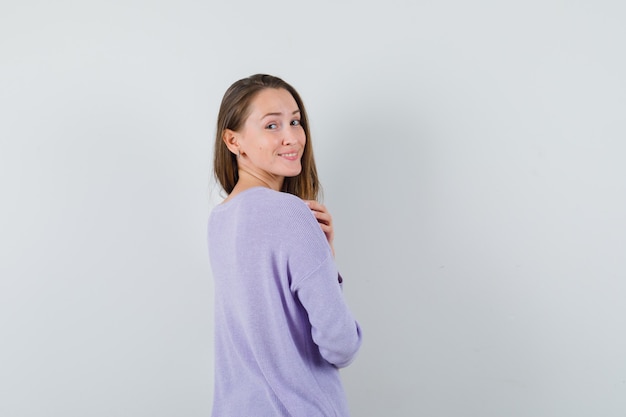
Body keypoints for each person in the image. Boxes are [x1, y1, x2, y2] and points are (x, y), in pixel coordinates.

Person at [208, 74, 362, 416]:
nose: (292, 137)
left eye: (295, 121)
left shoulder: (219, 220)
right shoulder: (291, 214)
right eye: (272, 126)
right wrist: (327, 262)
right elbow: (341, 346)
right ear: (234, 141)